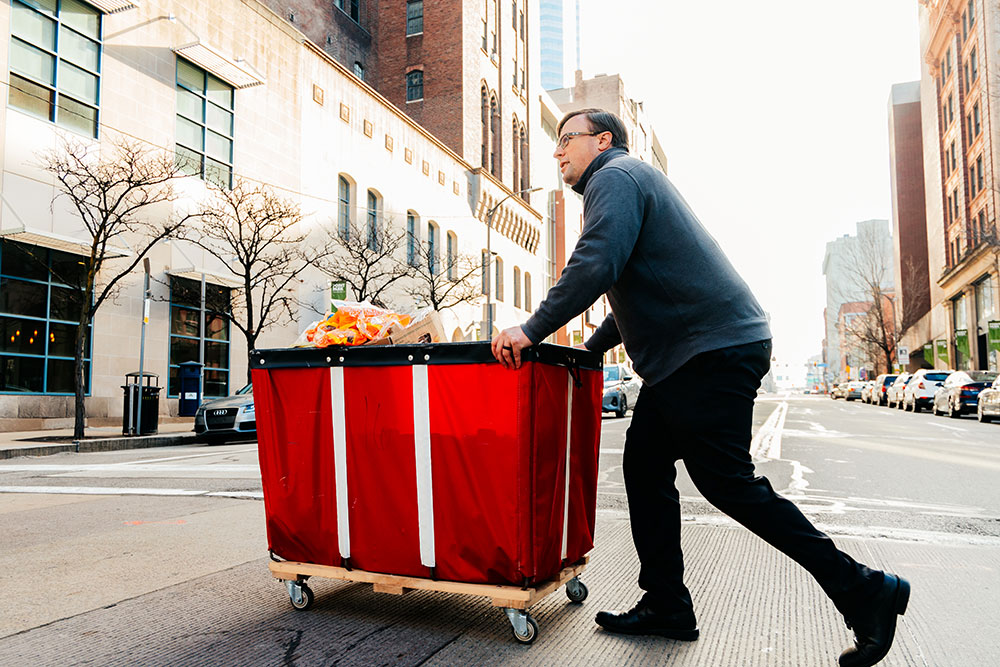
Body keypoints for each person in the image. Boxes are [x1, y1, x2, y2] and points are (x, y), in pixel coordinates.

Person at [490, 108, 909, 667]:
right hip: (697, 354)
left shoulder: (614, 178)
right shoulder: (629, 182)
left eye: (568, 139)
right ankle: (667, 603)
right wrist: (587, 352)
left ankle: (864, 588)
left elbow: (597, 263)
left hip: (707, 352)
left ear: (604, 140)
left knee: (729, 485)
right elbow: (635, 291)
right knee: (643, 465)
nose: (559, 151)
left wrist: (532, 328)